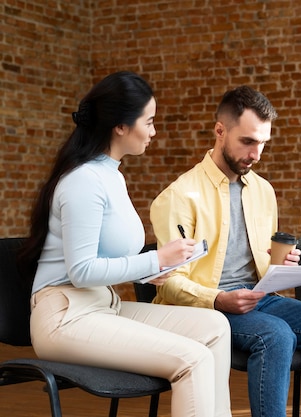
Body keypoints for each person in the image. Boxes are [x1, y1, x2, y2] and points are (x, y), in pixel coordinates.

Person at [19, 71, 232, 417]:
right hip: (65, 317)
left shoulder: (112, 175)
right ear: (120, 126)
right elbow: (82, 270)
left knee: (216, 328)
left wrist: (156, 270)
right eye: (148, 122)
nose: (154, 131)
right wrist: (153, 261)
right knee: (192, 359)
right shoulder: (83, 181)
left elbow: (108, 257)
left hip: (104, 306)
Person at [149, 85, 301, 417]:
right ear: (220, 131)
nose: (256, 154)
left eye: (262, 143)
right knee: (275, 335)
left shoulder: (263, 191)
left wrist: (282, 267)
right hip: (208, 307)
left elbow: (263, 270)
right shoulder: (179, 196)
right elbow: (170, 286)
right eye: (247, 141)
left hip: (259, 299)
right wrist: (218, 299)